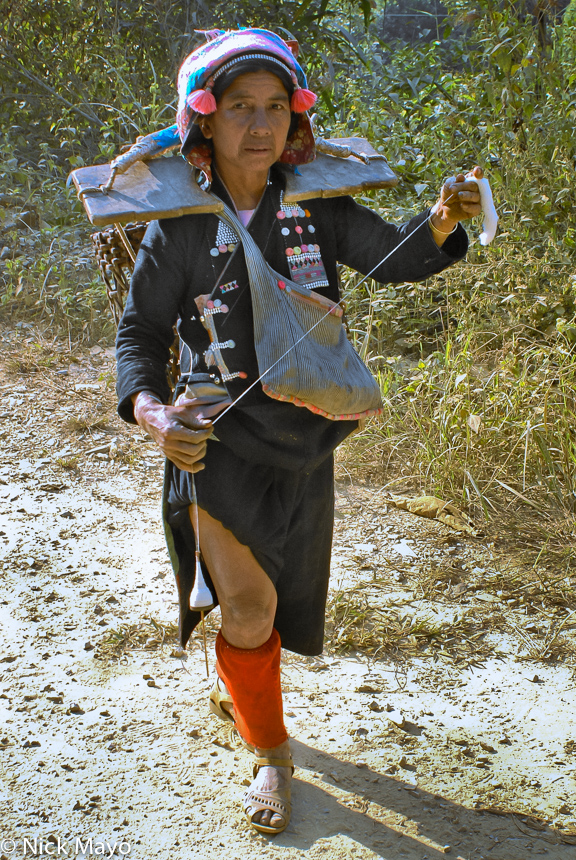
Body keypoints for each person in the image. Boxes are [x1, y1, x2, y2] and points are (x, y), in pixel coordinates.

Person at [115, 27, 482, 835]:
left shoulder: (316, 208)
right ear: (203, 120)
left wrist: (445, 219)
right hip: (212, 441)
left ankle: (240, 683)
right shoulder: (176, 224)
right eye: (239, 105)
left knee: (274, 606)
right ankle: (272, 756)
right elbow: (139, 336)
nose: (260, 123)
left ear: (295, 118)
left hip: (307, 436)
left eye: (275, 106)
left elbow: (398, 261)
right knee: (248, 608)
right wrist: (152, 412)